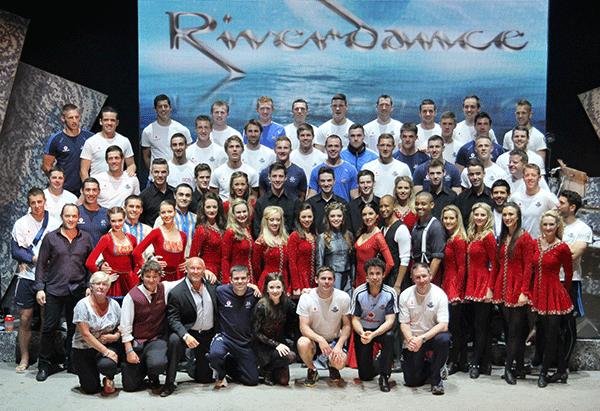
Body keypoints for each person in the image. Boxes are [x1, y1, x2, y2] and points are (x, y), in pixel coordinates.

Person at [34, 204, 94, 381]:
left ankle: (72, 363)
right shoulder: (51, 238)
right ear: (62, 216)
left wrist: (90, 284)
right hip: (54, 289)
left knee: (75, 328)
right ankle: (44, 365)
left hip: (78, 290)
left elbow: (91, 264)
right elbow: (41, 265)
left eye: (74, 216)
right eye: (67, 216)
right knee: (49, 328)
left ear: (78, 218)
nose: (71, 219)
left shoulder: (86, 238)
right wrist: (39, 288)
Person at [11, 188, 61, 373]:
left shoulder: (55, 223)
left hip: (48, 278)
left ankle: (43, 357)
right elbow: (16, 252)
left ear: (45, 201)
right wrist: (36, 259)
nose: (37, 206)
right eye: (33, 202)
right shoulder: (21, 223)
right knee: (24, 318)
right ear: (28, 203)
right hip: (27, 276)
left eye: (40, 202)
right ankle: (24, 357)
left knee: (46, 320)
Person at [490, 202, 534, 384]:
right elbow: (498, 264)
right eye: (505, 214)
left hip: (517, 287)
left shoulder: (524, 237)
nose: (507, 217)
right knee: (510, 330)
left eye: (511, 214)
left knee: (516, 331)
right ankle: (520, 367)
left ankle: (509, 369)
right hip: (503, 285)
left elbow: (528, 267)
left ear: (518, 216)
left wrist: (524, 291)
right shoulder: (503, 236)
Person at [163, 257, 219, 396]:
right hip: (188, 331)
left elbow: (231, 289)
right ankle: (169, 382)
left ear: (204, 270)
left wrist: (252, 286)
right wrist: (185, 335)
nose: (195, 271)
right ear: (186, 270)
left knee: (205, 378)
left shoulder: (213, 285)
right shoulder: (176, 292)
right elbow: (173, 319)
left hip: (207, 334)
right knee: (174, 340)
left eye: (199, 268)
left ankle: (192, 367)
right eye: (192, 268)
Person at [119, 260, 178, 392]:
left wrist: (205, 272)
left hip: (156, 339)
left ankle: (153, 373)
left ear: (160, 277)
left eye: (155, 276)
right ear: (142, 276)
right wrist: (129, 350)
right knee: (130, 386)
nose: (151, 280)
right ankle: (142, 369)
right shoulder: (132, 296)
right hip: (136, 341)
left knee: (158, 364)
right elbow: (125, 326)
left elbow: (184, 281)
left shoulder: (165, 288)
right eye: (147, 276)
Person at [531, 211, 574, 387]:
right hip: (539, 293)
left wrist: (564, 292)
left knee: (551, 335)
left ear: (557, 226)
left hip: (554, 293)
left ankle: (544, 373)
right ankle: (561, 371)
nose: (548, 228)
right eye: (545, 224)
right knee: (544, 333)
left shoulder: (562, 247)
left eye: (551, 225)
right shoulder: (536, 243)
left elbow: (569, 272)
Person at [398, 262, 450, 395]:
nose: (422, 280)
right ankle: (433, 365)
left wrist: (423, 338)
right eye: (418, 277)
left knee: (444, 339)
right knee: (412, 381)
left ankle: (436, 380)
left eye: (424, 276)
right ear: (412, 279)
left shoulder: (440, 295)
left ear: (431, 276)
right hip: (414, 339)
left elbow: (443, 325)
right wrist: (410, 340)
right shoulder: (405, 295)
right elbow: (404, 323)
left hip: (431, 337)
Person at [206, 264, 260, 388]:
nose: (240, 281)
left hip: (244, 342)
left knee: (252, 381)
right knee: (215, 354)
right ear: (230, 280)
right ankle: (220, 374)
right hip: (225, 338)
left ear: (248, 278)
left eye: (243, 278)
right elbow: (200, 279)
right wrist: (207, 271)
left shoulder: (254, 294)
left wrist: (253, 286)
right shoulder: (221, 291)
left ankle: (229, 363)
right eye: (236, 278)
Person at [296, 266, 352, 386]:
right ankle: (312, 369)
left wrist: (339, 345)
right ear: (316, 280)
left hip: (333, 341)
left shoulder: (343, 297)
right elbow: (303, 327)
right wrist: (320, 339)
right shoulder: (306, 297)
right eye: (323, 278)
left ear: (334, 280)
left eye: (329, 279)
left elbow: (347, 325)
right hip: (314, 341)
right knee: (302, 343)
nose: (326, 282)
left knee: (340, 362)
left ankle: (333, 367)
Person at [350, 258, 398, 392]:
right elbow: (355, 320)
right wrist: (363, 333)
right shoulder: (358, 293)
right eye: (371, 274)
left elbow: (390, 321)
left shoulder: (390, 293)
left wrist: (374, 334)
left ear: (383, 275)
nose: (375, 277)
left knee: (390, 336)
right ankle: (380, 359)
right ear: (366, 276)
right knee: (365, 376)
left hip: (380, 330)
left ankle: (384, 376)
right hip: (363, 331)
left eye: (378, 273)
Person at [556, 190, 592, 366]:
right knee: (550, 323)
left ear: (572, 207)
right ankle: (549, 361)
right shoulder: (553, 225)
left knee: (568, 323)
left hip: (570, 281)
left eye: (561, 203)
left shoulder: (582, 229)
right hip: (551, 280)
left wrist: (555, 248)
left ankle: (564, 365)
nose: (557, 205)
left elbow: (574, 254)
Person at [71, 271, 122, 395]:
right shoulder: (82, 305)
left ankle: (109, 377)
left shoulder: (114, 304)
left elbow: (121, 326)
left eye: (104, 284)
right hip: (84, 348)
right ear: (91, 286)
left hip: (107, 344)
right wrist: (106, 352)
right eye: (97, 283)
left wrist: (116, 336)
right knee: (90, 388)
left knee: (107, 365)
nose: (101, 287)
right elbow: (85, 334)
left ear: (108, 288)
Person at [464, 202, 498, 379]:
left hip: (484, 283)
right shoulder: (472, 234)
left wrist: (490, 289)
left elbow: (495, 263)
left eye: (482, 215)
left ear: (488, 217)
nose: (479, 218)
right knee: (477, 325)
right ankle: (485, 363)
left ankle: (477, 363)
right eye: (476, 214)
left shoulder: (489, 236)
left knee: (481, 326)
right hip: (472, 282)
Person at [251, 272, 298, 386]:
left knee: (283, 381)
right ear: (266, 289)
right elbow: (255, 332)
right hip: (263, 345)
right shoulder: (261, 306)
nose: (275, 291)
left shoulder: (287, 303)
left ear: (283, 288)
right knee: (290, 355)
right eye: (271, 287)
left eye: (278, 287)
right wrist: (276, 344)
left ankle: (269, 369)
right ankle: (265, 369)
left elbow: (296, 318)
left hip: (279, 343)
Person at [85, 207, 138, 301]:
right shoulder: (106, 239)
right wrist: (102, 278)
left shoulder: (132, 238)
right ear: (109, 221)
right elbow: (89, 262)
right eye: (113, 221)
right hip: (114, 284)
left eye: (120, 220)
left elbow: (137, 260)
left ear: (124, 219)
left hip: (131, 282)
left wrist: (135, 275)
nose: (117, 224)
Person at [440, 205, 468, 375]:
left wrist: (458, 291)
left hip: (454, 287)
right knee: (454, 327)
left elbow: (462, 268)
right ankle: (460, 361)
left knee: (455, 328)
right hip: (447, 283)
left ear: (458, 220)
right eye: (446, 218)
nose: (448, 221)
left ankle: (454, 362)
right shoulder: (450, 238)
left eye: (451, 218)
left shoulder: (459, 240)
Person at [43, 103, 94, 195]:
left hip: (85, 188)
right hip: (64, 189)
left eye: (76, 117)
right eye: (70, 118)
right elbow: (46, 166)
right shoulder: (56, 139)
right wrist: (56, 181)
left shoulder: (90, 137)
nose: (74, 121)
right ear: (63, 119)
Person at [133, 200, 187, 281]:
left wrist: (187, 263)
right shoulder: (156, 232)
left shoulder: (183, 235)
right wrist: (146, 266)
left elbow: (181, 261)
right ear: (159, 214)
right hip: (159, 278)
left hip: (178, 278)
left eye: (169, 212)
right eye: (163, 212)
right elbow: (136, 252)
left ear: (175, 212)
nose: (166, 215)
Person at [80, 106, 135, 180]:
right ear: (100, 121)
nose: (109, 123)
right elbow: (84, 171)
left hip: (118, 186)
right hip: (97, 188)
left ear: (117, 122)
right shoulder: (90, 142)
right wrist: (88, 188)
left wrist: (130, 172)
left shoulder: (124, 141)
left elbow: (131, 164)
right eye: (106, 120)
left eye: (112, 120)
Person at [141, 94, 192, 170]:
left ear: (170, 108)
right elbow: (146, 156)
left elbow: (189, 154)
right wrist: (154, 172)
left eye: (165, 106)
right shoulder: (148, 131)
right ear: (155, 109)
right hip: (157, 176)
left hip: (177, 174)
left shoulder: (182, 130)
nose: (163, 109)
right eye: (160, 107)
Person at [252, 162, 300, 239]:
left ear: (286, 178)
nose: (277, 180)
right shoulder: (261, 202)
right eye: (274, 176)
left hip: (288, 245)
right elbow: (257, 230)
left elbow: (297, 229)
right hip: (266, 245)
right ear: (269, 177)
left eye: (280, 176)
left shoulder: (295, 202)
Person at [509, 164, 558, 239]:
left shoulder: (548, 197)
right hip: (519, 241)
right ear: (523, 178)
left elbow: (559, 218)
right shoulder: (515, 197)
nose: (530, 178)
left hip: (539, 243)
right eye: (527, 175)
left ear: (539, 178)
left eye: (533, 175)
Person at [316, 202, 355, 294]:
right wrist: (321, 281)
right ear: (328, 218)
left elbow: (352, 260)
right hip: (331, 278)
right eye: (332, 216)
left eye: (339, 216)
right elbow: (319, 263)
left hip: (347, 278)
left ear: (343, 217)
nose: (336, 219)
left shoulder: (349, 235)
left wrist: (353, 279)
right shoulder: (323, 237)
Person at [308, 134, 359, 202]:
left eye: (336, 146)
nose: (333, 149)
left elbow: (355, 197)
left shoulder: (351, 170)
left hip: (343, 210)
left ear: (341, 147)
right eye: (330, 146)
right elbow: (311, 196)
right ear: (325, 147)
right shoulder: (316, 171)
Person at [354, 204, 394, 287]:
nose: (367, 217)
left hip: (370, 284)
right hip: (358, 281)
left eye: (370, 213)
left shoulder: (378, 236)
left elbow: (390, 263)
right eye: (364, 214)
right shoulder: (363, 232)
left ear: (376, 216)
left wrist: (378, 278)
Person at [210, 135, 260, 201]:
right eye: (231, 147)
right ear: (226, 150)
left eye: (237, 146)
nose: (234, 149)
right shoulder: (217, 173)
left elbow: (254, 200)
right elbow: (213, 199)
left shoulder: (251, 173)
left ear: (242, 150)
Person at [189, 191, 226, 281]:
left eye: (214, 207)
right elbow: (193, 256)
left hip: (222, 270)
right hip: (208, 272)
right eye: (208, 207)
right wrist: (204, 271)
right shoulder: (202, 230)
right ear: (203, 208)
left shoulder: (223, 226)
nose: (212, 210)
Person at [154, 183, 197, 258]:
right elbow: (154, 241)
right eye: (181, 194)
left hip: (191, 262)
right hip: (170, 261)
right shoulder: (164, 218)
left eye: (187, 195)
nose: (184, 198)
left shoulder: (196, 218)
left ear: (191, 198)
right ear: (175, 195)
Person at [362, 133, 412, 198]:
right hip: (374, 206)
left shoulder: (403, 167)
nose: (385, 148)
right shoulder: (367, 167)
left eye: (388, 145)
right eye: (382, 145)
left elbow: (410, 191)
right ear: (377, 146)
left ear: (393, 147)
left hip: (395, 206)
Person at [411, 191, 446, 282]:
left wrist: (428, 279)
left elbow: (437, 258)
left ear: (432, 205)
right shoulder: (416, 225)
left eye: (423, 204)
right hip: (418, 270)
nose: (419, 207)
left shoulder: (435, 226)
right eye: (417, 204)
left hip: (430, 273)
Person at [379, 195, 411, 294]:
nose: (383, 209)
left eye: (386, 206)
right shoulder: (382, 228)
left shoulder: (401, 229)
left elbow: (405, 259)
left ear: (394, 207)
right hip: (386, 278)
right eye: (381, 207)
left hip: (398, 279)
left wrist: (397, 285)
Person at [258, 135, 307, 200]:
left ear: (290, 150)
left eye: (285, 148)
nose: (282, 151)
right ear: (274, 150)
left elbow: (302, 196)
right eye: (279, 148)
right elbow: (262, 197)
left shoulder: (299, 172)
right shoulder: (265, 172)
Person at [253, 205, 289, 291]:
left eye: (278, 220)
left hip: (284, 280)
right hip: (268, 281)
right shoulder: (262, 241)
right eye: (272, 220)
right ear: (266, 221)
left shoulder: (286, 239)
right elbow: (255, 266)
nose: (275, 223)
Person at [306, 166, 349, 233]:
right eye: (323, 181)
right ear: (318, 182)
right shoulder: (310, 203)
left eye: (329, 180)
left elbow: (347, 228)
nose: (326, 184)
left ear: (334, 181)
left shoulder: (343, 203)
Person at [221, 198, 255, 284]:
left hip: (249, 275)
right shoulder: (230, 232)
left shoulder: (247, 229)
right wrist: (226, 281)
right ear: (233, 214)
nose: (242, 215)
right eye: (238, 212)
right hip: (237, 276)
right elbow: (225, 259)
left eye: (244, 211)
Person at [288, 202, 318, 297]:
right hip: (301, 278)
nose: (307, 220)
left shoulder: (316, 236)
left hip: (314, 278)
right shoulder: (294, 236)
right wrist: (296, 286)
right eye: (303, 217)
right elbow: (292, 263)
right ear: (298, 218)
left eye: (309, 217)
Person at [455, 158, 495, 228]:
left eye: (478, 174)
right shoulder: (461, 198)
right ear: (468, 176)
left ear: (484, 173)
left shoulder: (492, 195)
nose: (475, 177)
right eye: (472, 174)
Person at [139, 158, 175, 226]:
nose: (160, 175)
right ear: (151, 173)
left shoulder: (175, 193)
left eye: (163, 172)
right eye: (156, 172)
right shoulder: (144, 196)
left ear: (168, 173)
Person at [77, 177, 110, 246]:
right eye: (88, 190)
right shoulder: (75, 212)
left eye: (94, 190)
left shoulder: (107, 213)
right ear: (82, 191)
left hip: (100, 255)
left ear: (99, 191)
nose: (91, 193)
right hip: (80, 256)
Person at [347, 169, 380, 236]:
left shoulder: (381, 204)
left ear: (373, 183)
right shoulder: (351, 206)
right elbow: (348, 231)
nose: (365, 186)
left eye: (368, 182)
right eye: (362, 183)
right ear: (358, 184)